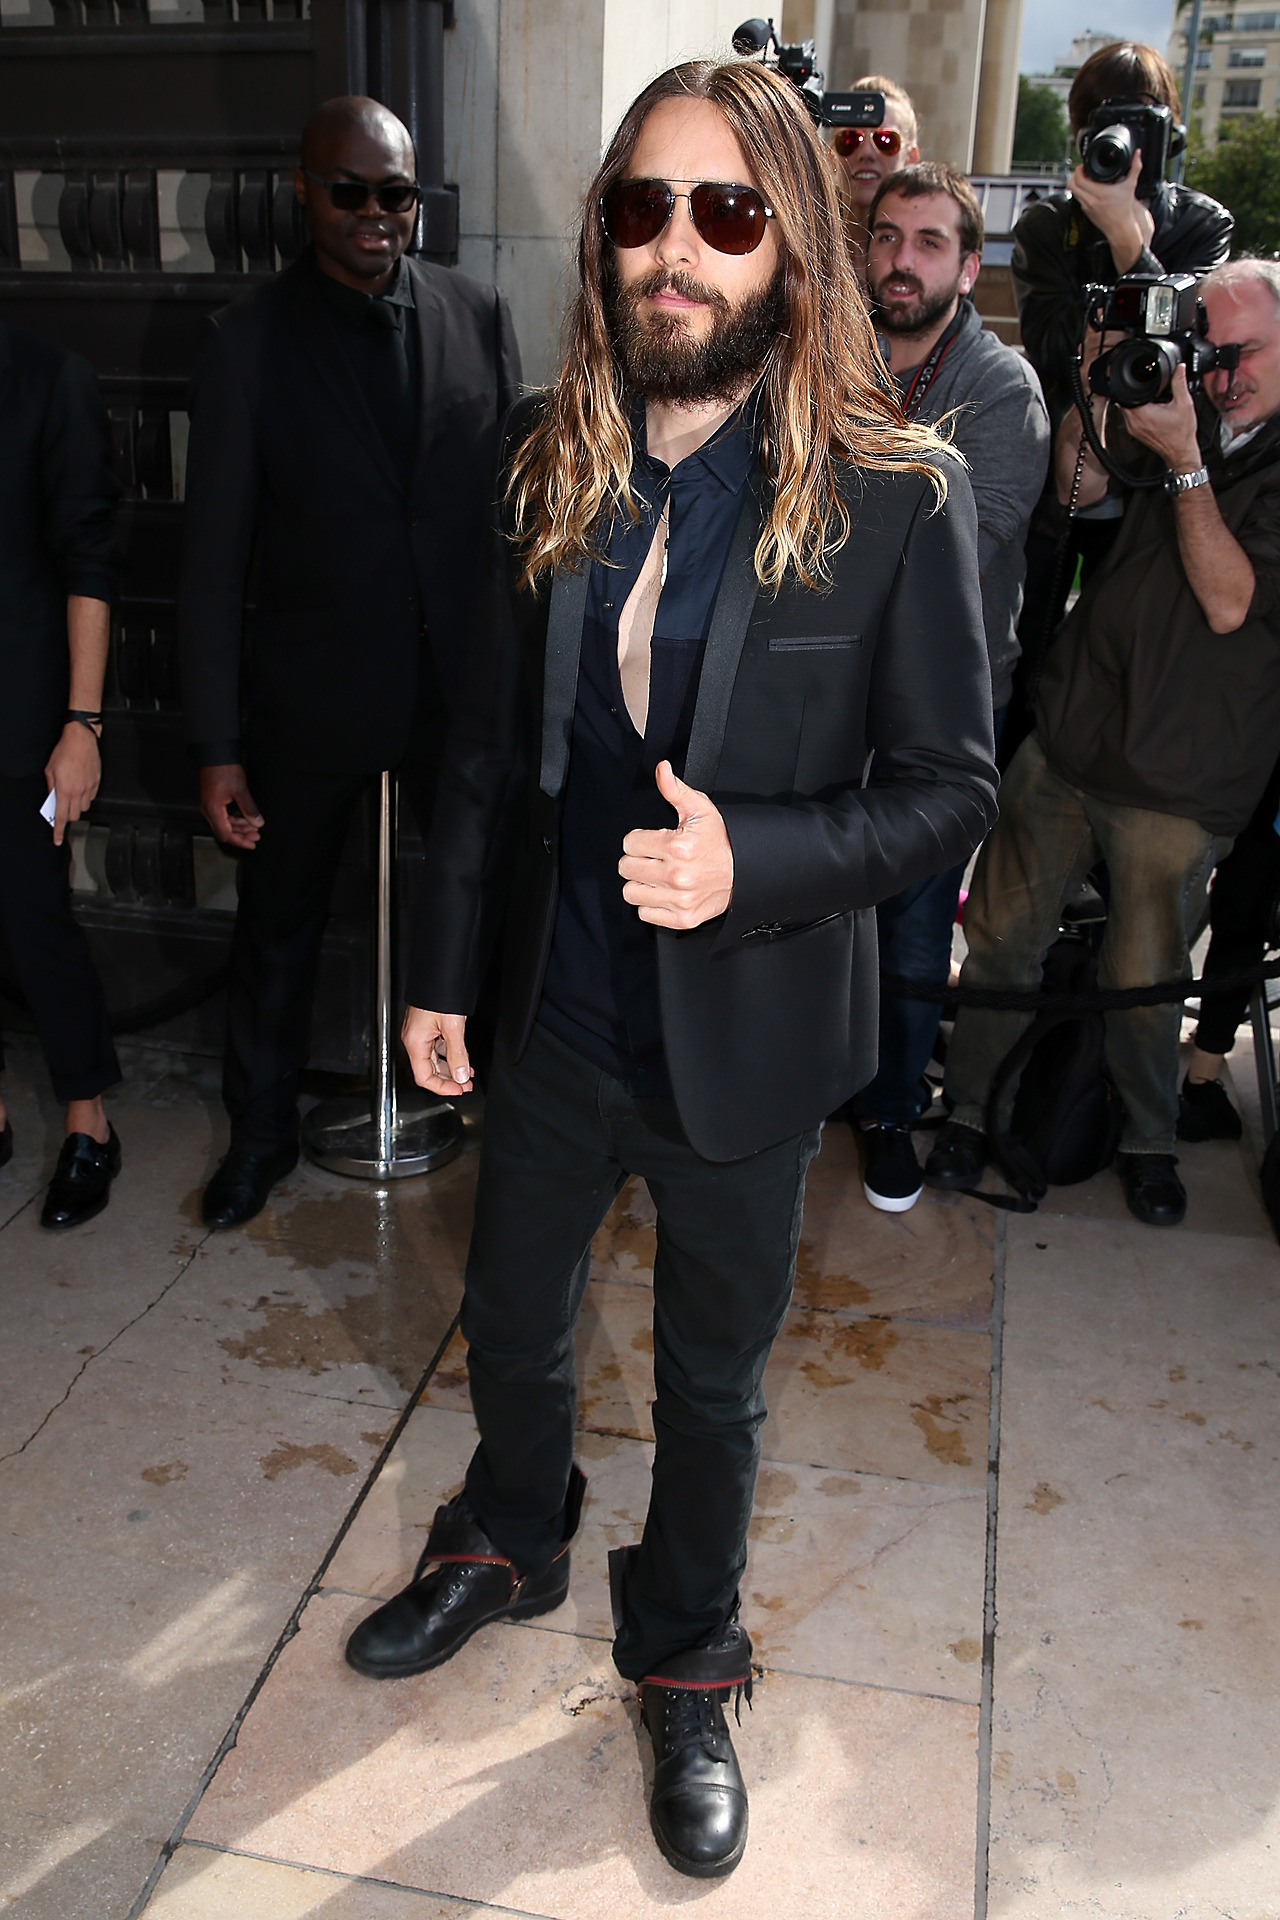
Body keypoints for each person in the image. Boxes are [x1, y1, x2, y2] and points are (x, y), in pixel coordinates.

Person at [342, 58, 998, 1879]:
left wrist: (753, 860)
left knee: (714, 1385)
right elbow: (487, 748)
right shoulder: (544, 454)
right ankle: (509, 1533)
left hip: (747, 1041)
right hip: (555, 1004)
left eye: (726, 211)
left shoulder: (895, 495)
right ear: (606, 237)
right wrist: (443, 972)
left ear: (793, 243)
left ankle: (689, 1653)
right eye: (644, 207)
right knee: (511, 1313)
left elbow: (951, 789)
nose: (677, 251)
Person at [178, 95, 521, 1228]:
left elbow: (509, 528)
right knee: (277, 926)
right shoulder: (245, 343)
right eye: (351, 191)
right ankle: (259, 1138)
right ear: (304, 190)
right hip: (308, 699)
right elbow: (212, 564)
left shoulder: (478, 314)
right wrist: (217, 746)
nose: (376, 212)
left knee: (486, 908)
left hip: (456, 695)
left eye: (396, 193)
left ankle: (512, 1121)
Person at [926, 259, 1280, 1228]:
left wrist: (1185, 461)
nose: (1221, 375)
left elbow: (1228, 601)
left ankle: (1147, 1142)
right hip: (1074, 737)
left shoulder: (1200, 443)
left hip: (1185, 774)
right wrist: (1096, 385)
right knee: (999, 944)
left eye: (1243, 353)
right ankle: (966, 1114)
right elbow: (1076, 492)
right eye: (1209, 351)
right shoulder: (1175, 408)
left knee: (1144, 982)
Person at [853, 162, 1049, 1211]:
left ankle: (890, 1113)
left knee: (915, 922)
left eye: (929, 243)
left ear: (969, 269)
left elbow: (959, 554)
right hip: (829, 692)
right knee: (818, 902)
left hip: (938, 708)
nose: (902, 260)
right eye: (887, 236)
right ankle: (819, 1083)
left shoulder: (1002, 388)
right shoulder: (828, 357)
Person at [1004, 40, 1232, 758]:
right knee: (1028, 651)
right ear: (1081, 132)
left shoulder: (1202, 225)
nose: (1123, 143)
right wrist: (1106, 241)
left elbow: (1194, 350)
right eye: (1108, 124)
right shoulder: (1047, 227)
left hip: (1152, 484)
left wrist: (1135, 248)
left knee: (1124, 660)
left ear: (1170, 135)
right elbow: (1050, 349)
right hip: (1060, 473)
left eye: (1142, 123)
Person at [0, 318, 123, 1230]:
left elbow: (89, 558)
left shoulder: (50, 378)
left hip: (23, 713)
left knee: (32, 917)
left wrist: (82, 723)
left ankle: (89, 1118)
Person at [827, 72, 919, 284]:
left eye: (885, 140)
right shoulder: (804, 247)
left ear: (911, 158)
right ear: (831, 156)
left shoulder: (927, 257)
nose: (866, 152)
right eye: (850, 140)